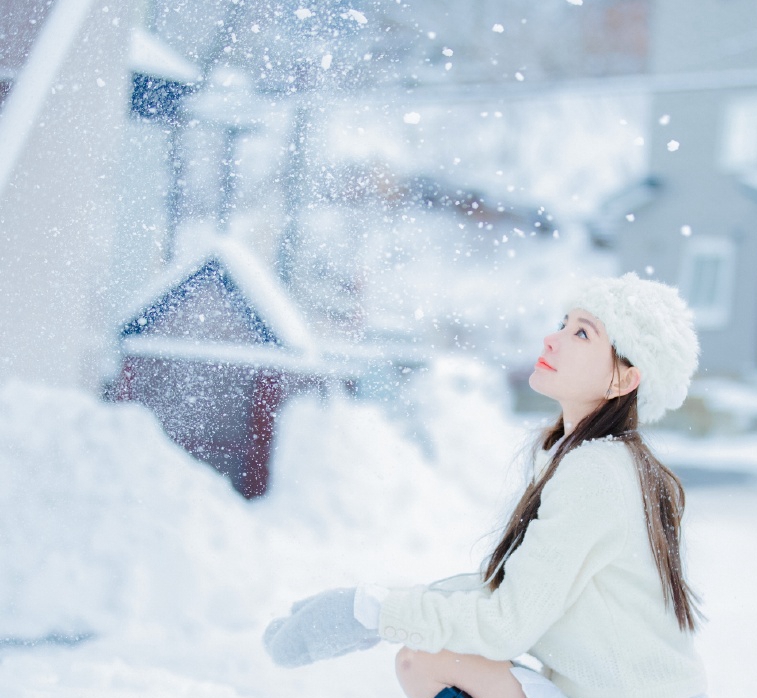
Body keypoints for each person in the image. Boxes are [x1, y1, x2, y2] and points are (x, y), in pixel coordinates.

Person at [263, 272, 708, 698]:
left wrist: (371, 613)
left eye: (582, 334)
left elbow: (506, 624)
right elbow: (510, 589)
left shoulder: (596, 473)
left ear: (623, 379)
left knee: (426, 661)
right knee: (425, 658)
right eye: (563, 324)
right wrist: (372, 611)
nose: (552, 338)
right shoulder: (595, 459)